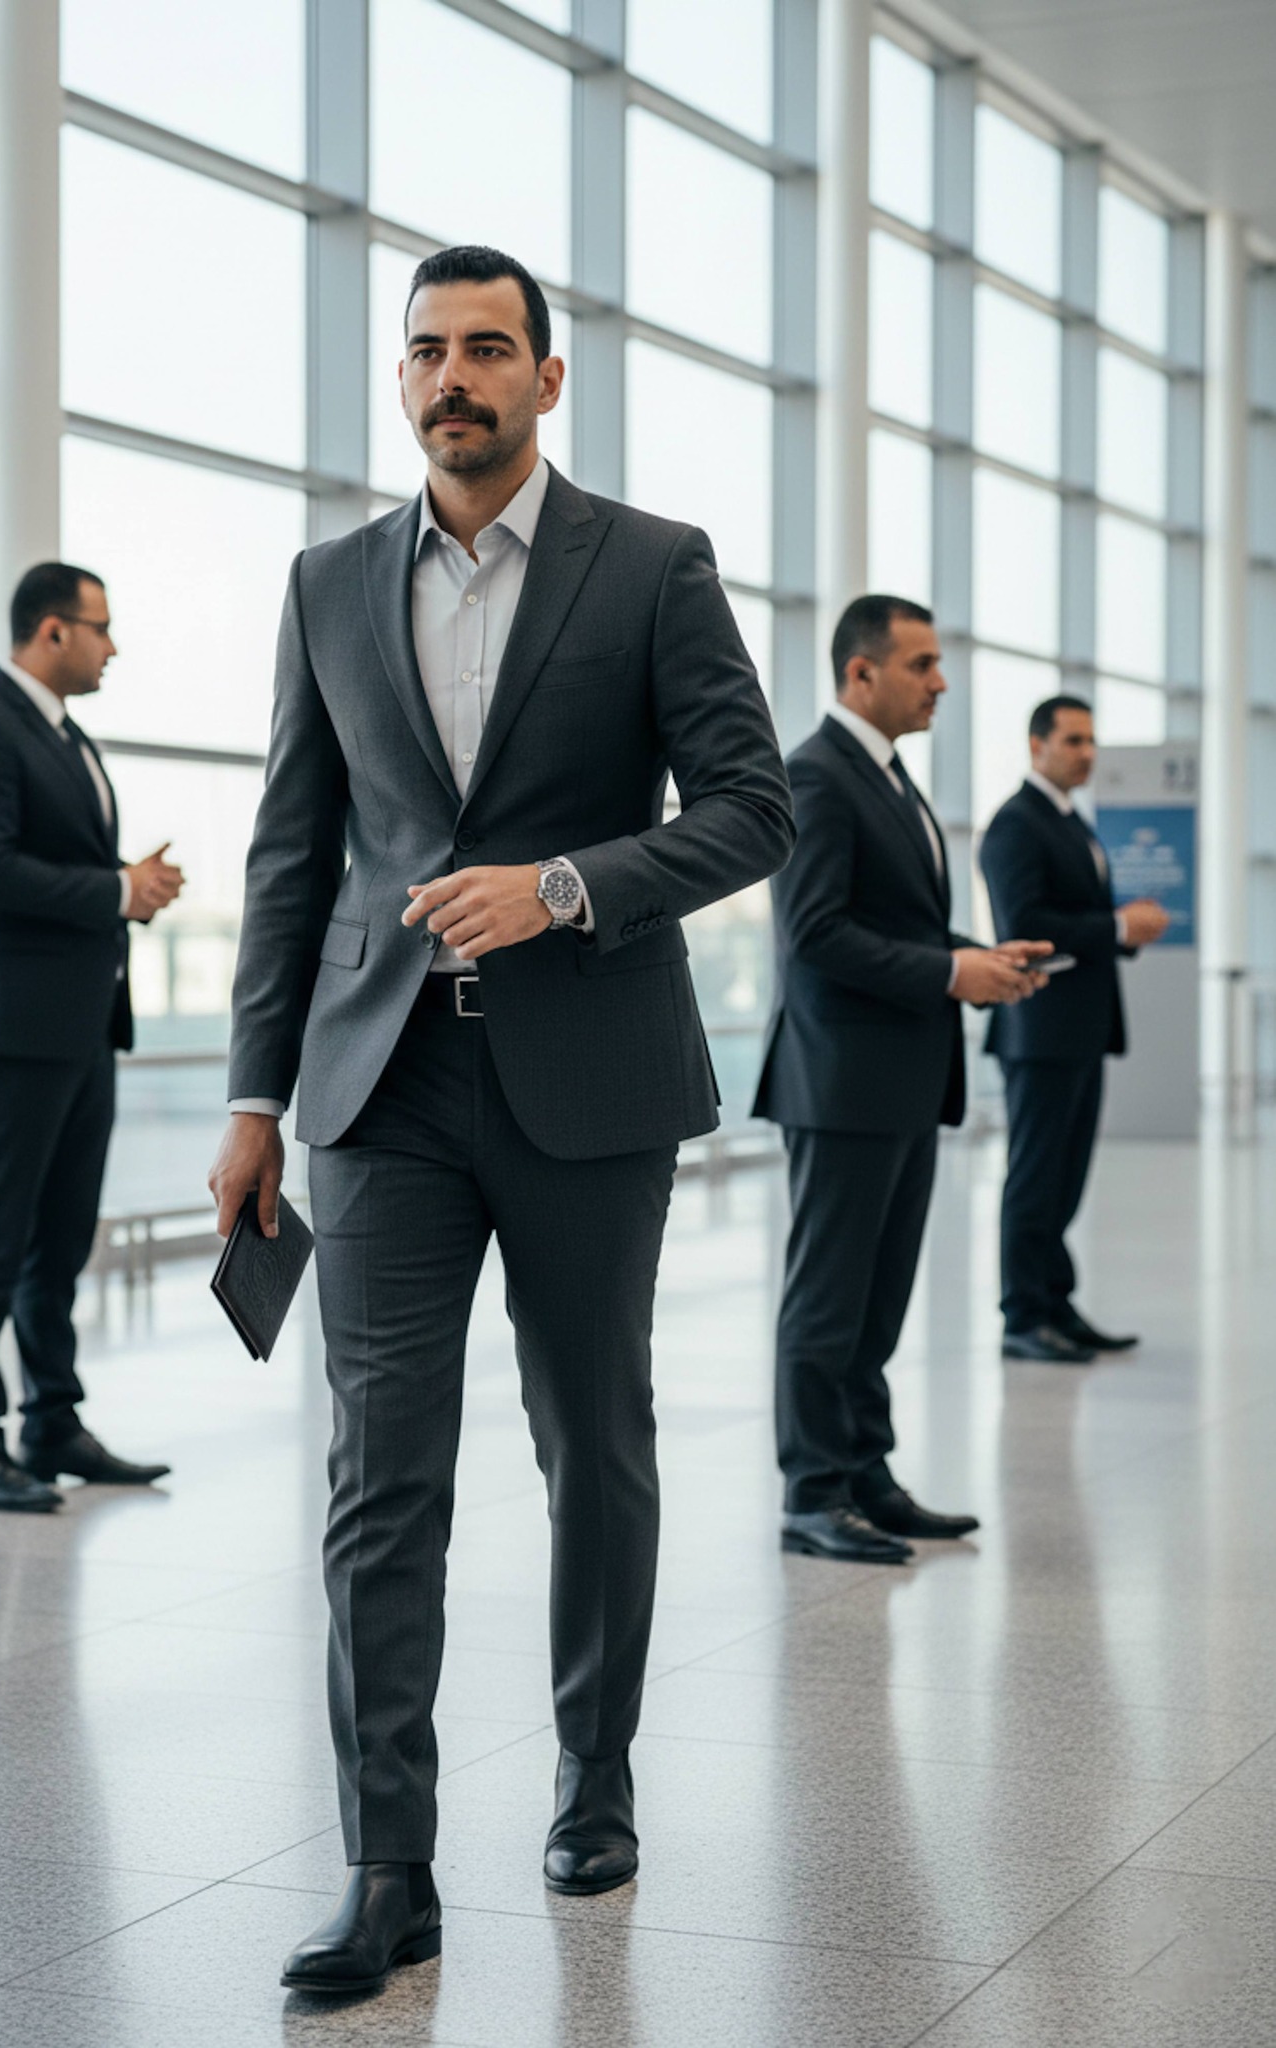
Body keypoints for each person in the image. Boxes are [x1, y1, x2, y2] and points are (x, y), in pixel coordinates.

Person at [208, 244, 794, 1995]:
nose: (450, 377)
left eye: (484, 348)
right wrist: (254, 1092)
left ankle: (593, 1771)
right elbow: (291, 859)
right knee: (379, 1477)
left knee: (588, 1438)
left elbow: (754, 807)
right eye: (424, 353)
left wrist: (562, 885)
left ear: (549, 376)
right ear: (400, 382)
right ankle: (388, 1866)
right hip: (378, 1088)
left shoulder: (656, 567)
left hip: (587, 1077)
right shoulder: (324, 583)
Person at [753, 595, 1051, 1564]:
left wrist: (976, 954)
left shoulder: (883, 776)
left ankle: (863, 1471)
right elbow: (814, 934)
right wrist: (945, 972)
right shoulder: (816, 773)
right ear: (859, 672)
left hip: (898, 1078)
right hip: (840, 1082)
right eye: (921, 664)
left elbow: (897, 924)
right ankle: (810, 1489)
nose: (941, 682)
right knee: (827, 1295)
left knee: (876, 1297)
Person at [0, 562, 184, 1511]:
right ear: (50, 632)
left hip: (80, 1026)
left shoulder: (66, 738)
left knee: (60, 1241)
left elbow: (54, 866)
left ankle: (50, 1422)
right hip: (7, 1033)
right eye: (101, 628)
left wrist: (126, 884)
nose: (112, 646)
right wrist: (117, 891)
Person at [978, 695, 1169, 1362]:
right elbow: (1025, 923)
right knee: (1035, 1177)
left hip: (1077, 1029)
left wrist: (1119, 926)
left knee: (1063, 1177)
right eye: (1072, 741)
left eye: (1091, 741)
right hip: (1039, 1030)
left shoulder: (1068, 821)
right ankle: (1022, 1316)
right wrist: (1117, 928)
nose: (1086, 753)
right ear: (1036, 746)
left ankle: (1054, 1302)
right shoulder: (1014, 824)